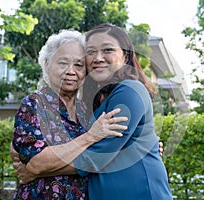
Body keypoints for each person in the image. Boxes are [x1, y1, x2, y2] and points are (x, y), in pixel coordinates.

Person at [14, 23, 172, 200]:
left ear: (125, 55)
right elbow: (23, 149)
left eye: (107, 50)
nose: (98, 58)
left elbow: (97, 156)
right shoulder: (86, 105)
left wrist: (37, 172)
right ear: (47, 65)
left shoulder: (129, 90)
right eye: (91, 52)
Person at [11, 29, 128, 200]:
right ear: (46, 64)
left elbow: (104, 154)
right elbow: (37, 162)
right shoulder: (34, 104)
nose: (71, 71)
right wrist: (89, 137)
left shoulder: (88, 110)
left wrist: (146, 148)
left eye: (79, 65)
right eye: (63, 63)